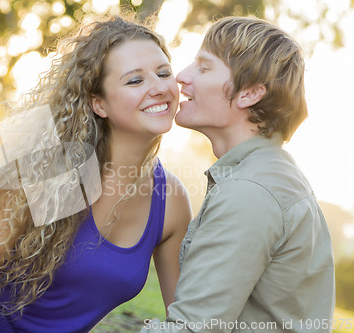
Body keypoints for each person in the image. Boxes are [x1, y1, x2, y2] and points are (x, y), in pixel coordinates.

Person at [0, 16, 192, 333]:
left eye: (163, 73)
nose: (159, 88)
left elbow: (185, 317)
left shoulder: (170, 202)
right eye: (135, 81)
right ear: (99, 103)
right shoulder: (61, 170)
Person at [142, 16, 335, 332]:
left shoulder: (250, 190)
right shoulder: (267, 175)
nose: (181, 77)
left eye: (204, 68)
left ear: (249, 94)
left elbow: (191, 328)